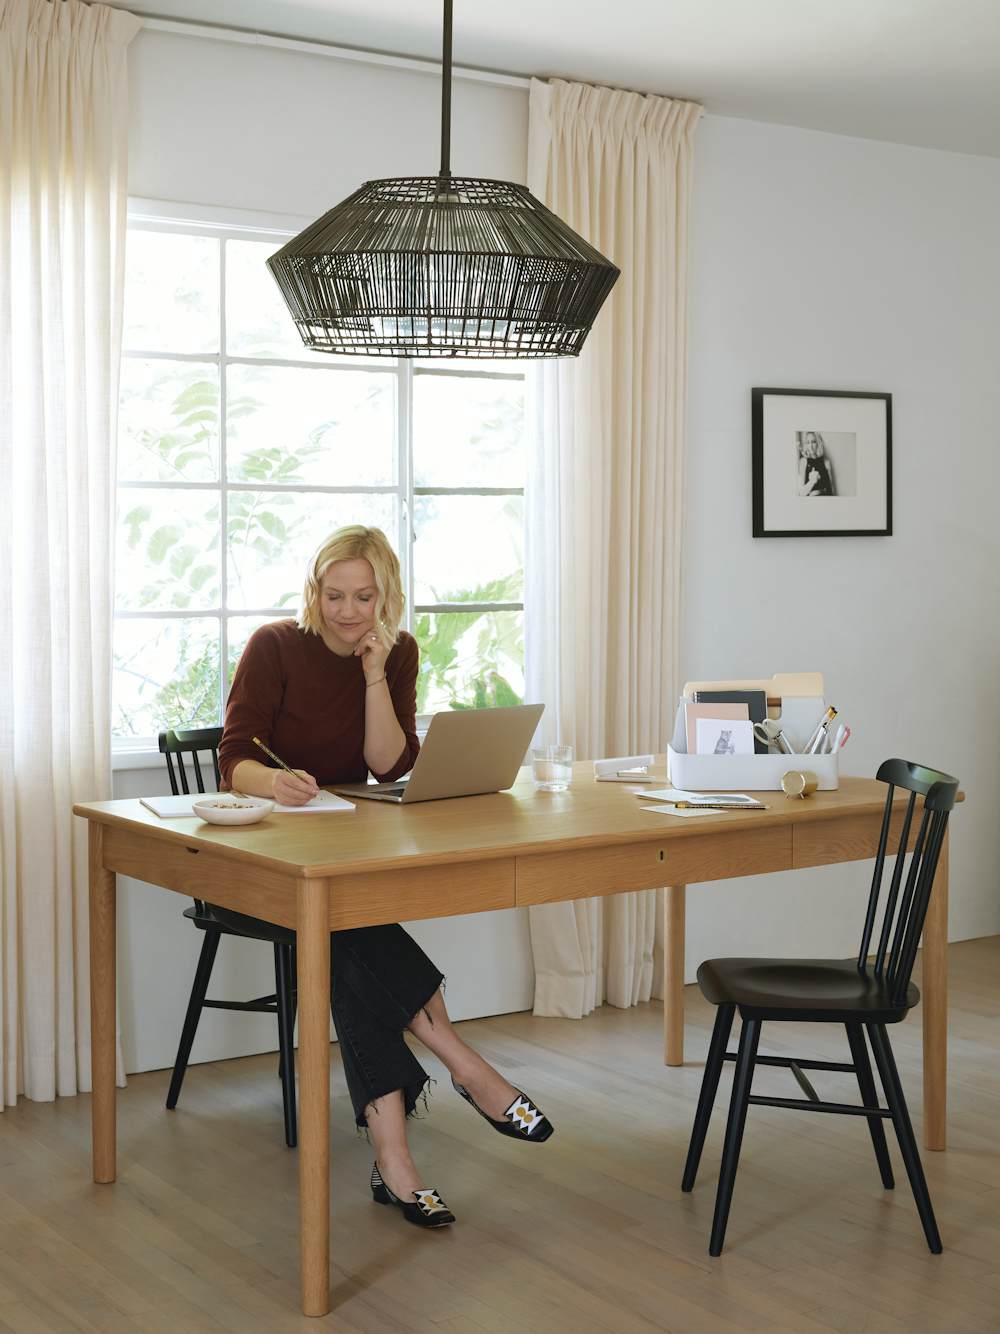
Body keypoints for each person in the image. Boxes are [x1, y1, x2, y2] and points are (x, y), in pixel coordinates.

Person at [217, 525, 553, 1230]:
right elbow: (233, 759)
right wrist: (273, 781)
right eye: (333, 595)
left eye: (363, 597)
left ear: (385, 595)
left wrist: (373, 675)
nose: (346, 612)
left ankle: (394, 1160)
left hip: (337, 849)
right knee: (346, 926)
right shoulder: (275, 646)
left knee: (344, 933)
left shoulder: (394, 654)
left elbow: (389, 764)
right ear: (314, 592)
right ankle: (466, 1067)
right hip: (264, 857)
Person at [796, 430, 836, 496]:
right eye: (808, 442)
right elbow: (801, 493)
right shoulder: (803, 461)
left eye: (813, 442)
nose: (810, 446)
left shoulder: (826, 462)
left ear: (818, 443)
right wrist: (812, 482)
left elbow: (832, 490)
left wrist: (819, 492)